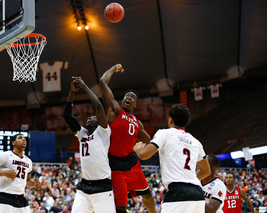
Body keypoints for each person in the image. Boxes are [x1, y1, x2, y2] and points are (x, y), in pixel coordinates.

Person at [133, 104, 211, 213]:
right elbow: (206, 171)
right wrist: (188, 179)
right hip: (197, 194)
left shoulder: (164, 134)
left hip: (177, 193)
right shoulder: (195, 141)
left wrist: (137, 149)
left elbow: (143, 155)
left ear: (170, 120)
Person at [99, 64, 156, 213]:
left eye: (132, 97)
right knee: (120, 206)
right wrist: (114, 68)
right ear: (123, 100)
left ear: (136, 104)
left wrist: (141, 149)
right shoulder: (115, 110)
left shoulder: (138, 123)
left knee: (148, 196)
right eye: (126, 96)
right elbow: (102, 82)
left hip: (131, 162)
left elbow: (151, 141)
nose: (128, 98)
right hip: (115, 164)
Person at [62, 77, 115, 213]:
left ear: (99, 121)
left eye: (93, 117)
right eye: (88, 117)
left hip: (102, 186)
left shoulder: (103, 131)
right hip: (84, 187)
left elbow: (98, 106)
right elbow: (67, 115)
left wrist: (84, 86)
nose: (90, 118)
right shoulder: (82, 133)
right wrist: (72, 92)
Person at [0, 133, 41, 213]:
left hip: (21, 199)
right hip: (4, 198)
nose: (23, 140)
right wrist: (4, 173)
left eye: (24, 139)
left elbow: (26, 181)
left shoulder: (28, 161)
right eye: (20, 138)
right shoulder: (6, 155)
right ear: (13, 143)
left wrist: (34, 185)